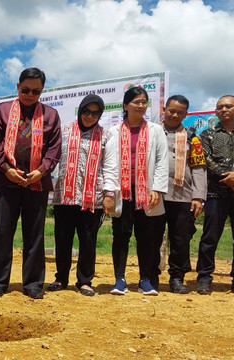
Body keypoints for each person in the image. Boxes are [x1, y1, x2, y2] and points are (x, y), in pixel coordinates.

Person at [0, 67, 62, 299]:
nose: (30, 94)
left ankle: (32, 283)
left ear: (42, 91)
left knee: (35, 234)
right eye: (26, 89)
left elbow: (54, 148)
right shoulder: (2, 110)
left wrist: (42, 171)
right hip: (6, 180)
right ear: (17, 87)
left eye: (36, 91)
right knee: (2, 233)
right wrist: (7, 169)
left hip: (37, 183)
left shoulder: (50, 115)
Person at [103, 87, 168, 296]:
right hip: (122, 192)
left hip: (147, 192)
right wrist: (109, 193)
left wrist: (157, 187)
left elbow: (161, 161)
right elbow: (110, 163)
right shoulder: (113, 132)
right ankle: (119, 279)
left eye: (143, 101)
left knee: (146, 236)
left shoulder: (156, 130)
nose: (140, 105)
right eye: (136, 102)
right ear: (125, 105)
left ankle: (145, 279)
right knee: (121, 234)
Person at [49, 95, 107, 296]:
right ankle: (61, 278)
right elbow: (51, 157)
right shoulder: (63, 131)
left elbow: (109, 166)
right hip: (64, 196)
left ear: (100, 115)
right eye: (86, 111)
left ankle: (84, 280)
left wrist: (108, 193)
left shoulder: (106, 136)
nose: (90, 116)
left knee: (88, 240)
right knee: (63, 239)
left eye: (95, 113)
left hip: (92, 198)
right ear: (80, 110)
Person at [195, 95, 234, 295]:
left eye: (228, 106)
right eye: (220, 107)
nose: (224, 109)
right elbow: (206, 160)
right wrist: (231, 180)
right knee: (210, 237)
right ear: (216, 112)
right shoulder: (206, 135)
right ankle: (204, 277)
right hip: (215, 194)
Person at [161, 95, 206, 294]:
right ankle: (151, 275)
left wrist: (198, 196)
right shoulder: (152, 132)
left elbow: (198, 168)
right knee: (151, 238)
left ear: (186, 114)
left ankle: (176, 278)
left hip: (182, 196)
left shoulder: (192, 138)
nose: (175, 114)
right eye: (171, 110)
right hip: (156, 195)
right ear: (164, 109)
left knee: (180, 240)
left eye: (180, 112)